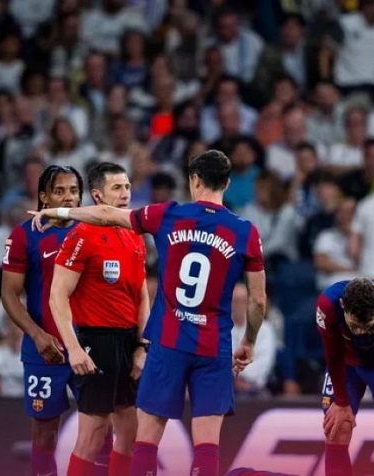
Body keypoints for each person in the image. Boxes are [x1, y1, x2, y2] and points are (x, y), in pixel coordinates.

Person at [30, 149, 267, 476]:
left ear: (194, 180)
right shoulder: (245, 231)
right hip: (213, 345)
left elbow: (107, 215)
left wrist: (59, 211)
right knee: (207, 443)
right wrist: (249, 341)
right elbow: (257, 300)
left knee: (145, 438)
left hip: (168, 342)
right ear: (227, 183)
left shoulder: (167, 214)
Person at [49, 162, 148, 475]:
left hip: (128, 341)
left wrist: (142, 346)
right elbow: (57, 296)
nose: (125, 194)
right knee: (93, 435)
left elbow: (143, 297)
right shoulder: (82, 235)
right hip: (96, 340)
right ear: (97, 195)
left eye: (127, 187)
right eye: (116, 188)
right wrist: (74, 348)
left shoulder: (135, 235)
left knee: (129, 432)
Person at [1, 165, 87, 476]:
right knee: (45, 436)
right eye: (59, 191)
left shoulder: (92, 231)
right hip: (46, 350)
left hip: (89, 347)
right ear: (44, 197)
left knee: (101, 431)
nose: (68, 197)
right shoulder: (24, 234)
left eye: (74, 190)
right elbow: (9, 294)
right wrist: (37, 335)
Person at [317, 277, 374, 476]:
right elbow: (332, 354)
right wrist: (341, 402)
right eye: (354, 324)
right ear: (342, 305)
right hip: (345, 362)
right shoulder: (327, 306)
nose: (360, 332)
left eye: (367, 325)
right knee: (337, 428)